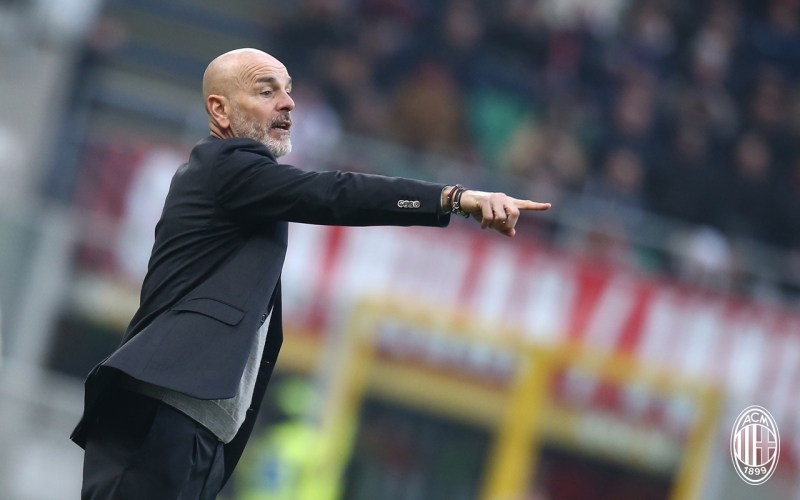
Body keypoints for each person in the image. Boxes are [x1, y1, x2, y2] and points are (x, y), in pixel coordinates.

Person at [71, 48, 550, 500]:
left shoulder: (240, 183)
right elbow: (334, 192)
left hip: (196, 423)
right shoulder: (226, 166)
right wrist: (451, 199)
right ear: (220, 110)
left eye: (288, 89)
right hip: (165, 411)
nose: (288, 102)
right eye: (266, 91)